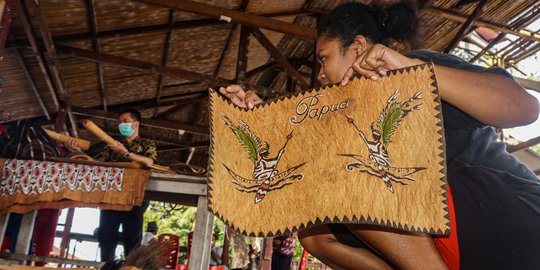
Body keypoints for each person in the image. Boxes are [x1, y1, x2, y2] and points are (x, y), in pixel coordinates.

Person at [218, 1, 540, 269]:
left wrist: (413, 70)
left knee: (352, 174)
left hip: (515, 216)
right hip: (461, 242)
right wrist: (264, 123)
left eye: (323, 58)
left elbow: (524, 108)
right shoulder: (343, 122)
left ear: (357, 46)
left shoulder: (415, 69)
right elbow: (302, 167)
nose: (319, 73)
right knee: (314, 232)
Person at [67, 108, 157, 262]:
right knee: (106, 237)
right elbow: (96, 163)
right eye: (120, 122)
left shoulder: (146, 144)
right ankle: (106, 266)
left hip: (134, 198)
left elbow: (149, 162)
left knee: (132, 240)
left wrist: (126, 153)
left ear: (136, 124)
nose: (121, 125)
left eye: (125, 121)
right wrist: (79, 151)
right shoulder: (112, 145)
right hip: (111, 197)